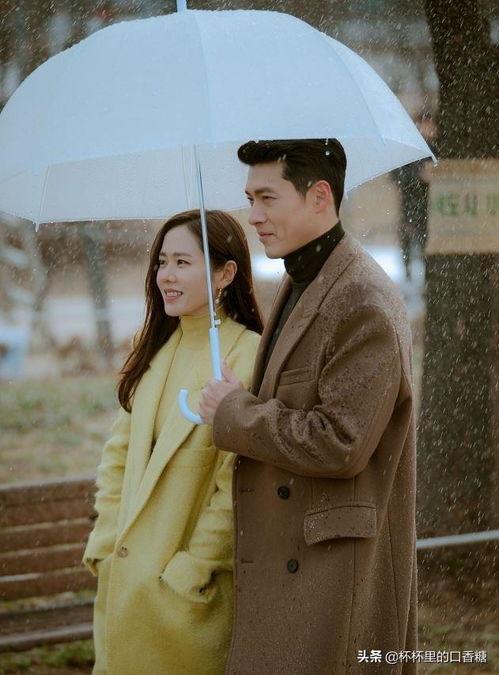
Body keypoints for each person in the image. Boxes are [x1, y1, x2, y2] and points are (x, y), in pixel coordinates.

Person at [200, 140, 418, 673]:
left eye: (267, 198)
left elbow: (340, 443)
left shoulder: (363, 299)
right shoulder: (304, 278)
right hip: (291, 558)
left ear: (319, 196)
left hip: (332, 576)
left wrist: (235, 412)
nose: (253, 216)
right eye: (250, 200)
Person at [83, 209, 262, 675]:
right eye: (162, 261)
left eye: (183, 262)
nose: (166, 275)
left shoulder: (248, 356)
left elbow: (237, 482)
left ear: (225, 274)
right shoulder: (154, 349)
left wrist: (193, 568)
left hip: (183, 602)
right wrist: (105, 546)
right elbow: (118, 457)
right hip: (124, 590)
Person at [392, 112, 438, 281]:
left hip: (430, 207)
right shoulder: (409, 149)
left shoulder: (436, 148)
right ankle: (408, 275)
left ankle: (426, 278)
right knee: (409, 244)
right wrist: (418, 176)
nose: (428, 128)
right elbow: (397, 174)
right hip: (410, 205)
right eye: (424, 123)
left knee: (426, 245)